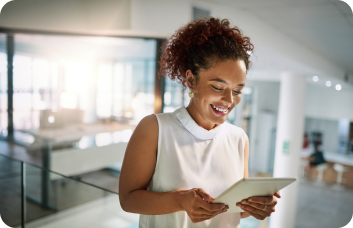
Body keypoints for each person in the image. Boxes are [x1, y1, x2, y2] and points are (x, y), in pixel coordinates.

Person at [119, 17, 280, 228]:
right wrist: (180, 201)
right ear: (191, 81)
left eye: (238, 90)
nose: (230, 101)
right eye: (218, 87)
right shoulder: (155, 128)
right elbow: (128, 199)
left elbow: (232, 211)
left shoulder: (239, 138)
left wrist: (254, 207)